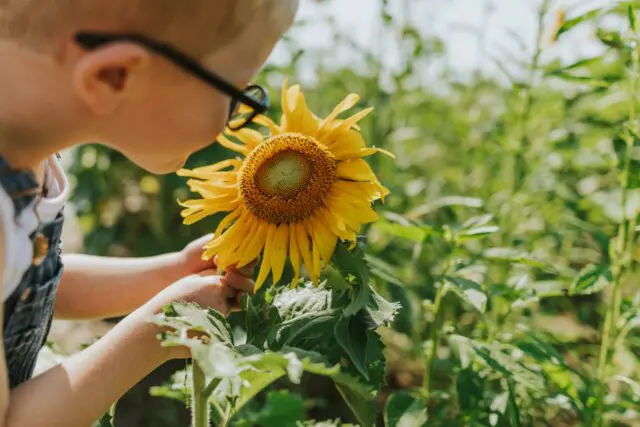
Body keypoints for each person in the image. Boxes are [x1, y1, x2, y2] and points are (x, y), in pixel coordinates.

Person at [0, 0, 299, 425]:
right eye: (233, 97)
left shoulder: (27, 158)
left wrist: (170, 273)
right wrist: (160, 329)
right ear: (113, 76)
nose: (233, 122)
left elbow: (27, 286)